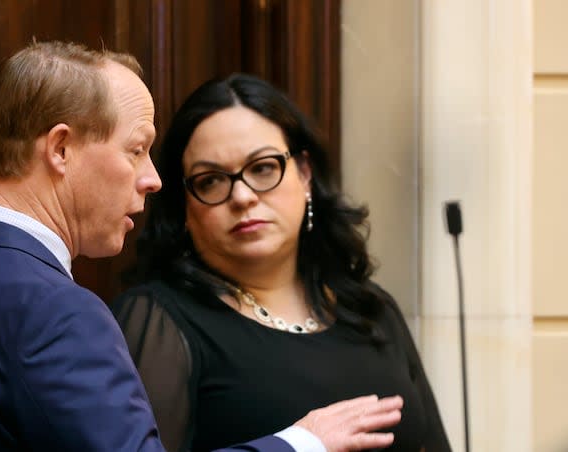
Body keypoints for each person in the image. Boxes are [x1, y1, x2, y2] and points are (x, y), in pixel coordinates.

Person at [0, 41, 403, 452]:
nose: (153, 179)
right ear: (61, 148)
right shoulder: (60, 313)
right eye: (137, 149)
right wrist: (303, 441)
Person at [112, 73, 452, 452]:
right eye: (210, 181)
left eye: (262, 168)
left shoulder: (372, 309)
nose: (242, 196)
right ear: (184, 210)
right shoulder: (158, 321)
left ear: (305, 174)